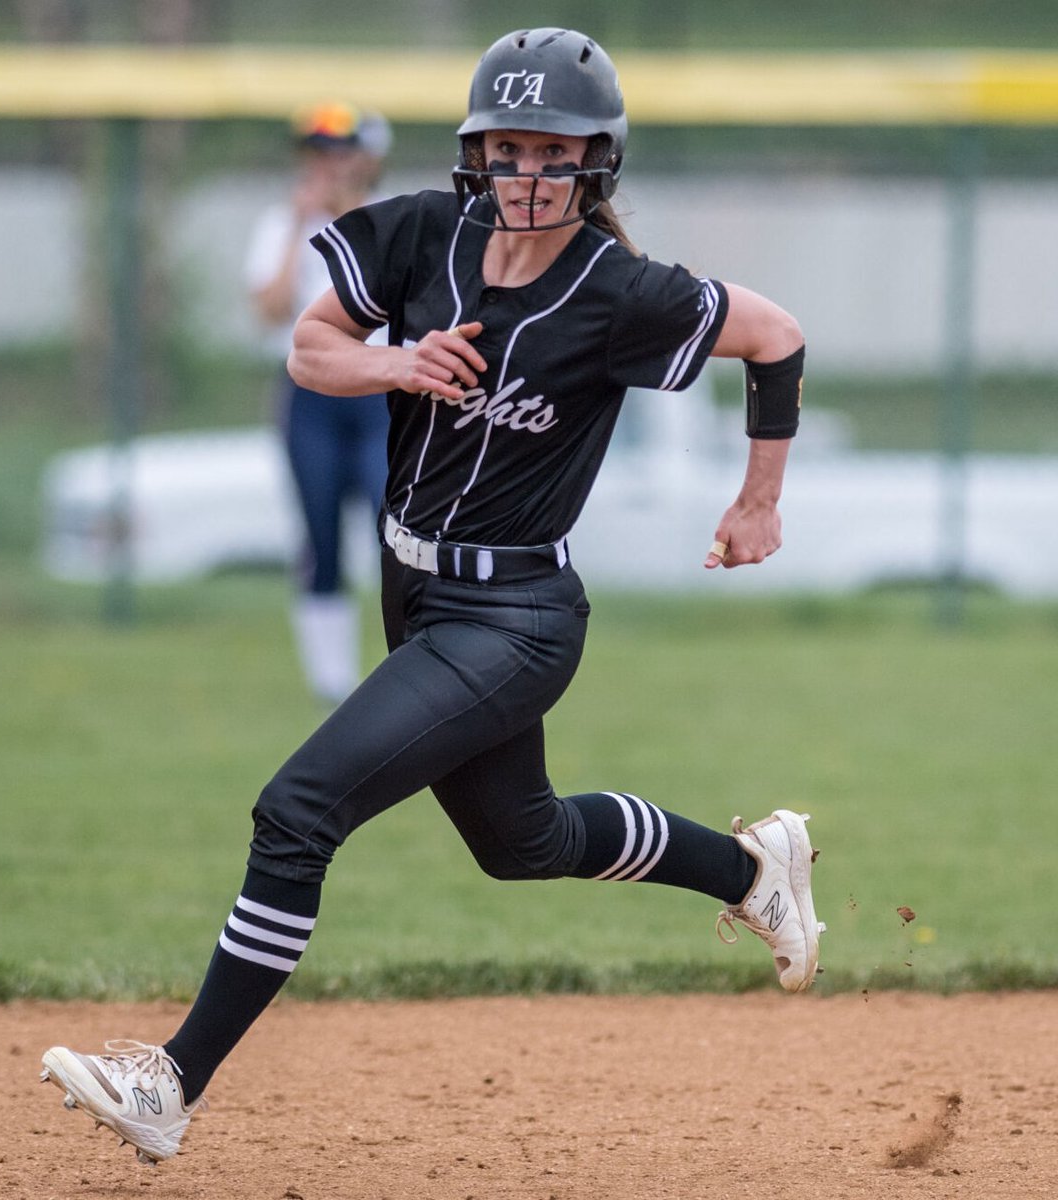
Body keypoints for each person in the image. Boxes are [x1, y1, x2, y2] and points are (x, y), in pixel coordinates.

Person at [41, 27, 824, 1167]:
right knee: (522, 840)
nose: (527, 174)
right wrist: (392, 363)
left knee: (296, 810)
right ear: (475, 154)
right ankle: (754, 869)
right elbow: (314, 346)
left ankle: (169, 1081)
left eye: (554, 153)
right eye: (506, 149)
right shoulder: (420, 231)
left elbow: (777, 336)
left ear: (597, 163)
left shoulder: (620, 291)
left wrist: (758, 504)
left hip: (517, 618)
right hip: (415, 589)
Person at [245, 101, 394, 706]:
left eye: (341, 153)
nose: (329, 166)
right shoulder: (283, 224)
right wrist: (298, 228)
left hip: (383, 393)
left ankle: (408, 662)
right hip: (312, 396)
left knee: (398, 533)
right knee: (320, 534)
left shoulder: (391, 220)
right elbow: (270, 310)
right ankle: (330, 680)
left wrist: (346, 216)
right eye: (319, 154)